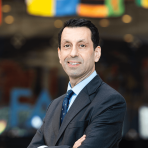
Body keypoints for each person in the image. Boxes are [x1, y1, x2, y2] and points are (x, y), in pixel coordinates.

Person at [27, 18, 126, 148]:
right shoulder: (54, 106)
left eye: (82, 45)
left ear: (97, 53)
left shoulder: (110, 101)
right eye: (67, 46)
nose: (73, 53)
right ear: (59, 54)